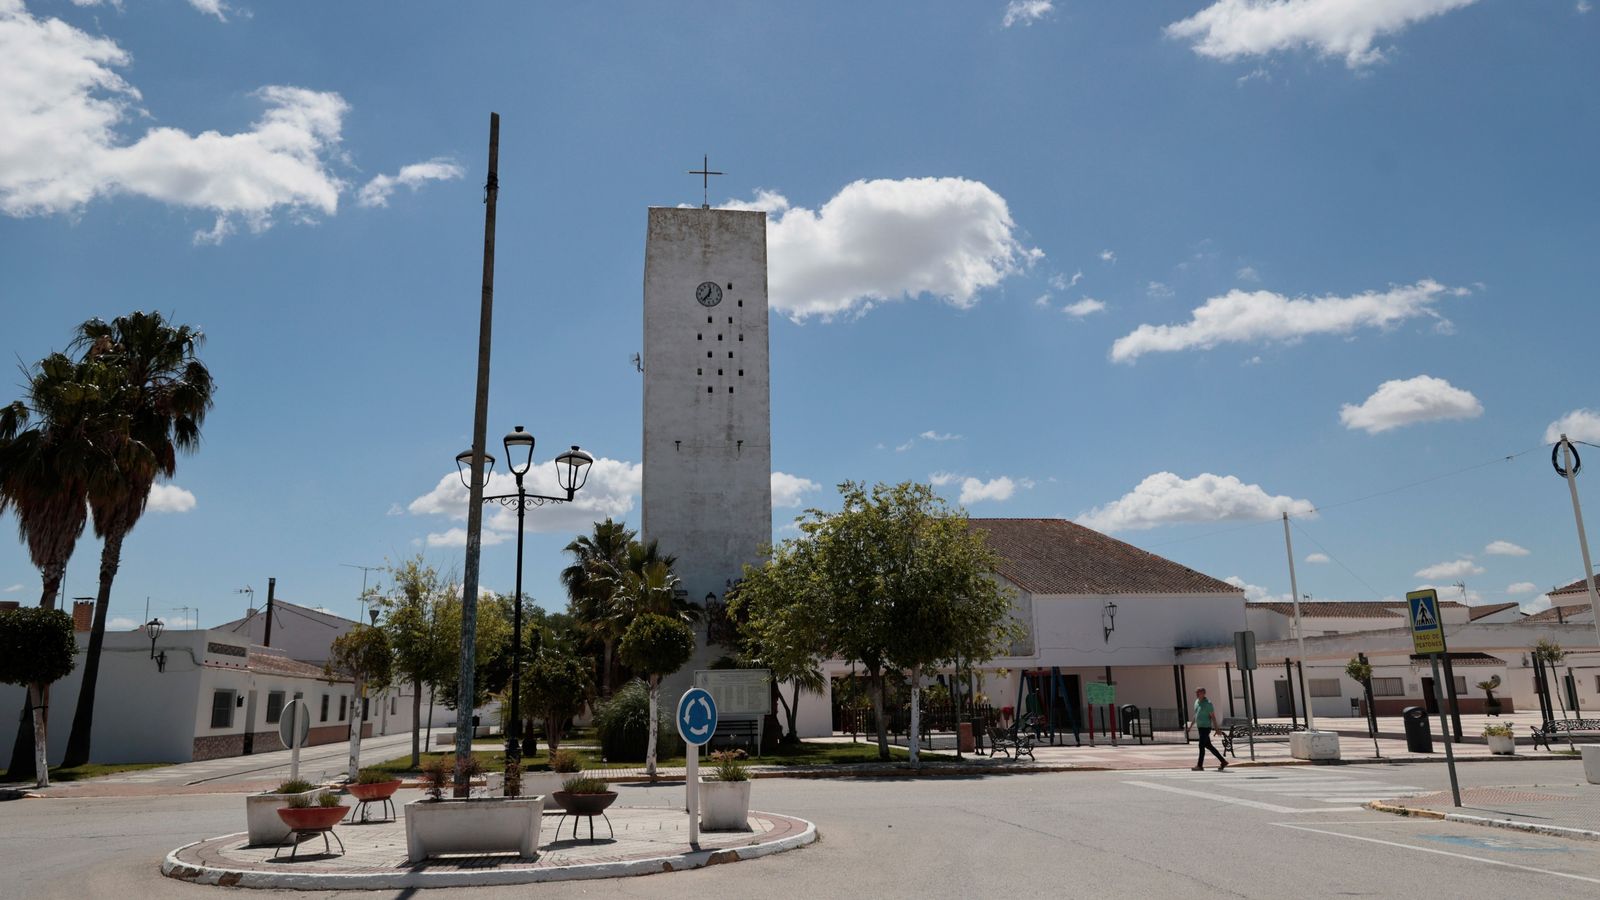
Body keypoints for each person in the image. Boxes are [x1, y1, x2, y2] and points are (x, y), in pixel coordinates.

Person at [1191, 687, 1227, 771]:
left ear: (1203, 693)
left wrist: (1217, 729)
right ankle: (1223, 761)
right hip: (1200, 728)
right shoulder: (1196, 702)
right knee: (1209, 746)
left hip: (1206, 728)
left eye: (1198, 692)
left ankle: (1199, 765)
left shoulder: (1208, 704)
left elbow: (1213, 717)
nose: (1196, 694)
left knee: (1201, 745)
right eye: (1196, 692)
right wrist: (1190, 726)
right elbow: (1196, 715)